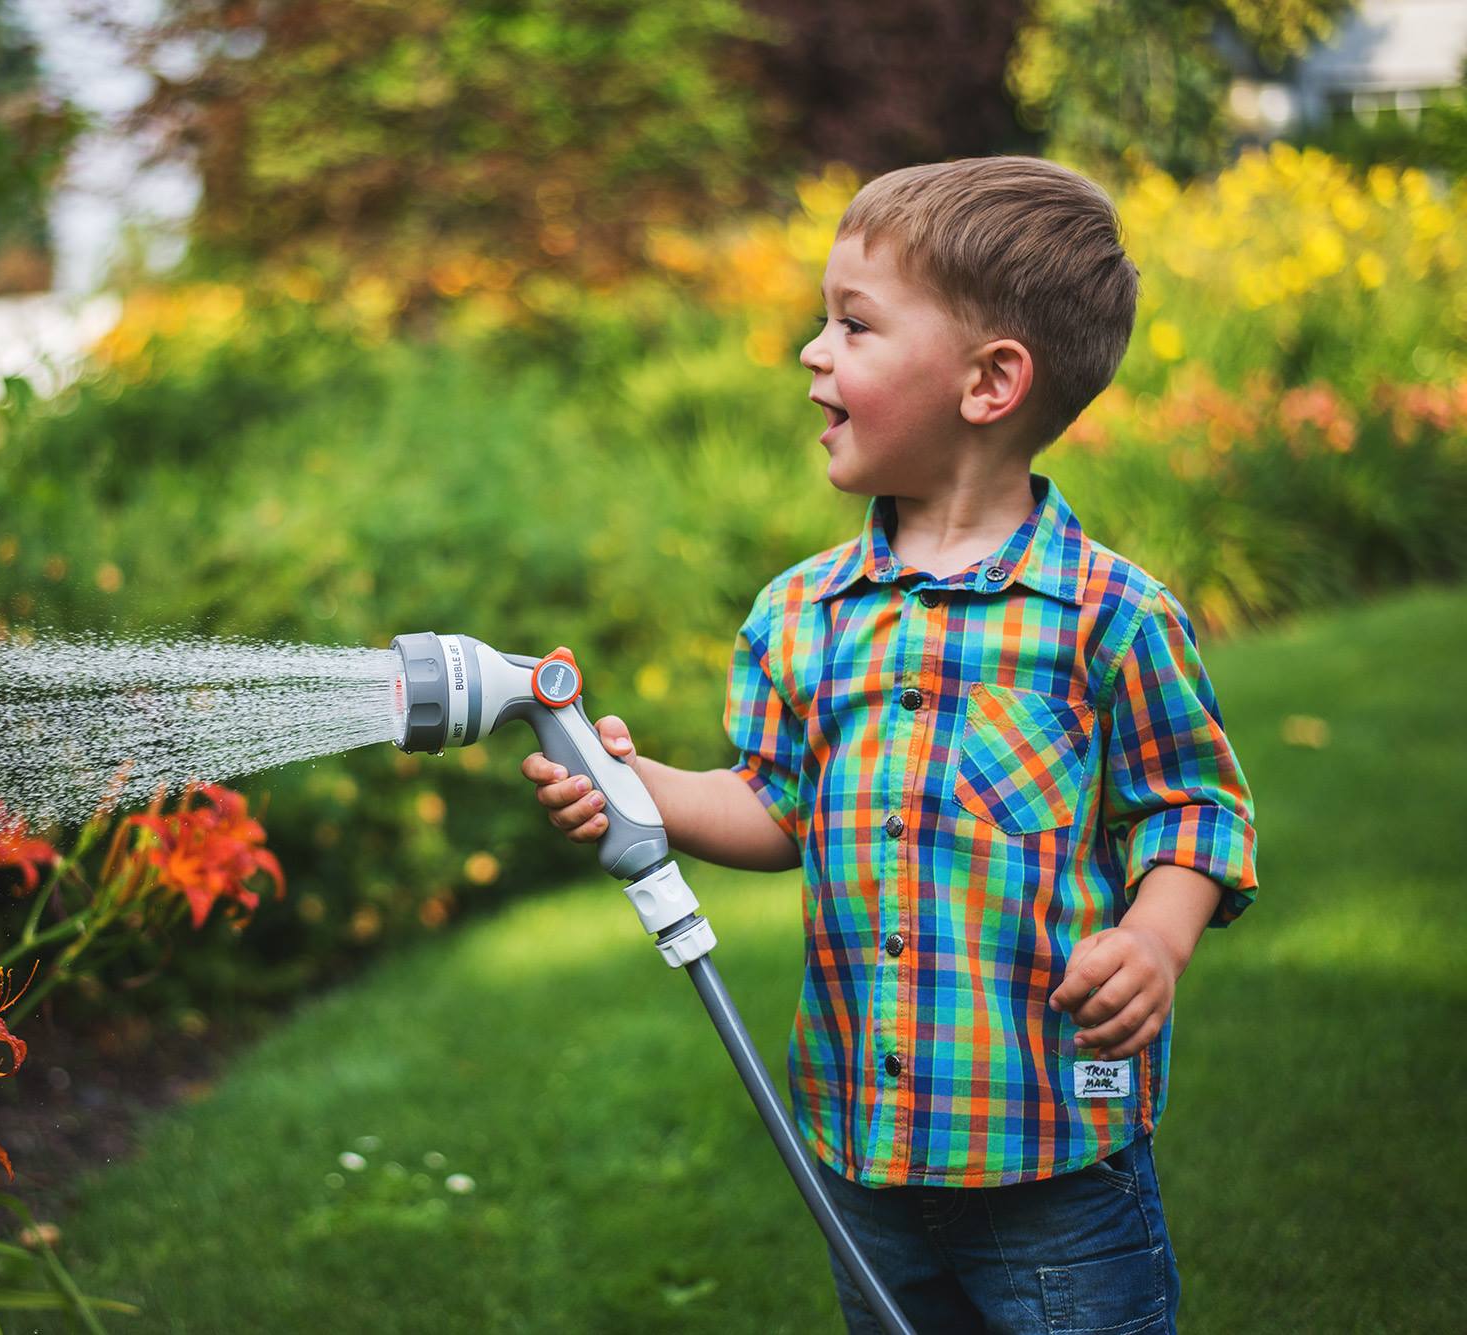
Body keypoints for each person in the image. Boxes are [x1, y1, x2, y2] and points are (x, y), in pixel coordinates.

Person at [522, 156, 1258, 1334]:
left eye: (852, 326)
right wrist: (642, 787)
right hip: (862, 1154)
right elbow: (772, 809)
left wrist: (1155, 937)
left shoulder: (1107, 616)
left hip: (1052, 1162)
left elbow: (1194, 809)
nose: (811, 352)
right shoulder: (798, 617)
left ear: (988, 382)